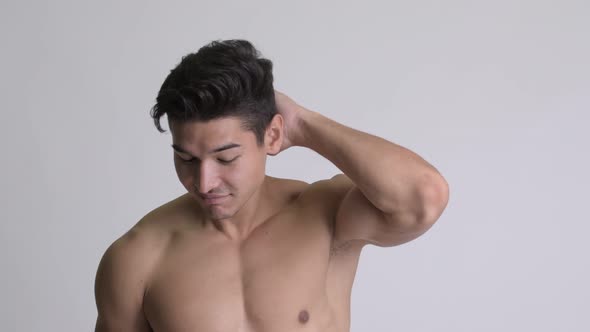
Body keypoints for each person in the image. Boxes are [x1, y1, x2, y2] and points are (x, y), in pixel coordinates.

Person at [93, 39, 449, 332]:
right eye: (186, 159)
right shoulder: (137, 258)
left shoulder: (327, 217)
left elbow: (422, 198)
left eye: (226, 158)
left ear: (273, 135)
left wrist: (305, 125)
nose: (204, 182)